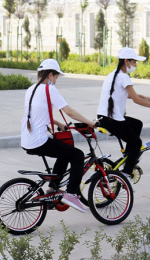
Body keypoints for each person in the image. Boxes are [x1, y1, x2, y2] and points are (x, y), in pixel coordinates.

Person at [21, 59, 95, 213]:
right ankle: (71, 194)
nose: (55, 81)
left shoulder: (31, 89)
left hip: (27, 140)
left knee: (65, 151)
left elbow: (36, 115)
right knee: (77, 155)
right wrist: (90, 123)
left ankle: (53, 188)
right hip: (39, 141)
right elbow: (70, 112)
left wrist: (57, 123)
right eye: (55, 77)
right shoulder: (49, 90)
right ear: (49, 75)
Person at [96, 47, 150, 187]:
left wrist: (144, 97)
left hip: (104, 118)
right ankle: (126, 174)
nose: (136, 65)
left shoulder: (113, 74)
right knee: (136, 143)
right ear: (126, 61)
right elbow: (136, 100)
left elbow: (130, 95)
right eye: (134, 62)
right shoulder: (124, 76)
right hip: (113, 120)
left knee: (137, 124)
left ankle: (129, 157)